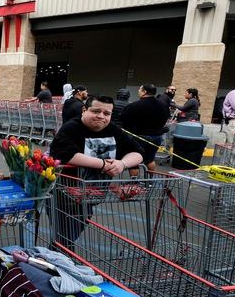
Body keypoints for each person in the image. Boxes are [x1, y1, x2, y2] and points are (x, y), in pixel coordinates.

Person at [49, 95, 143, 250]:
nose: (101, 116)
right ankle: (60, 258)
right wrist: (103, 164)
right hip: (63, 192)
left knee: (71, 232)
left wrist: (122, 163)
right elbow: (62, 154)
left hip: (92, 194)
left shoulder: (113, 130)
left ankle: (59, 256)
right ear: (84, 110)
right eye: (96, 111)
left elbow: (138, 152)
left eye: (107, 113)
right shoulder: (72, 128)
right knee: (66, 235)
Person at [120, 84, 170, 172]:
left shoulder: (134, 105)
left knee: (134, 161)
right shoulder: (164, 105)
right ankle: (150, 181)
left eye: (140, 89)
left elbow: (124, 119)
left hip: (138, 136)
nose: (138, 91)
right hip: (156, 137)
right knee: (150, 159)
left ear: (144, 92)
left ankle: (134, 183)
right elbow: (166, 117)